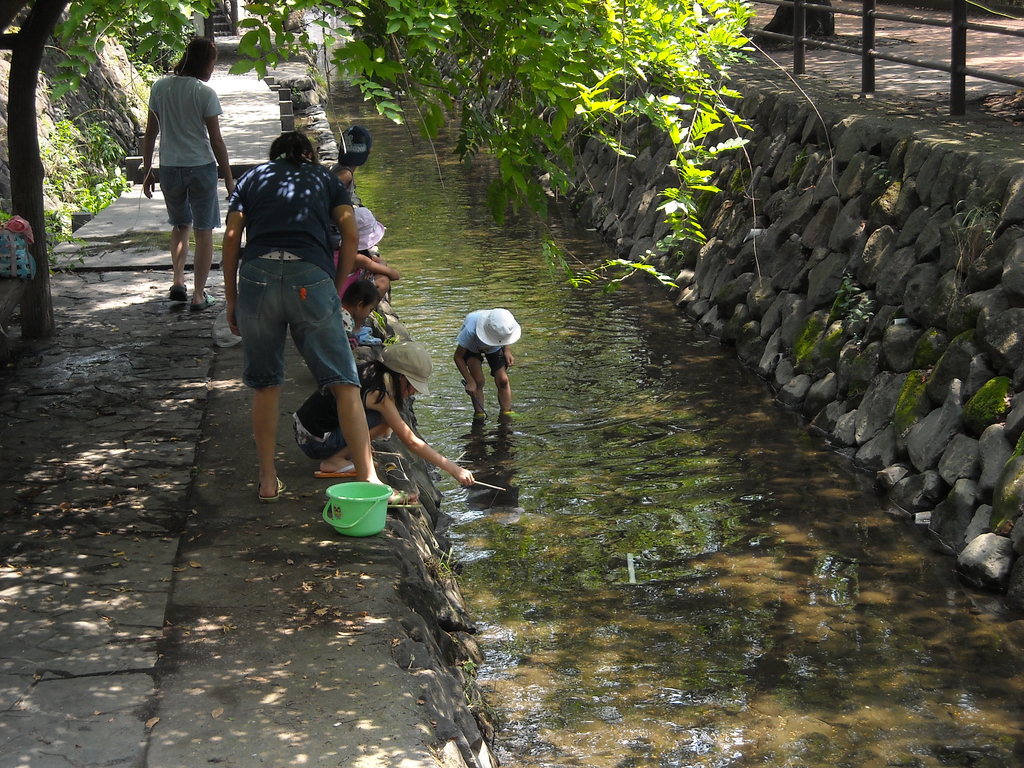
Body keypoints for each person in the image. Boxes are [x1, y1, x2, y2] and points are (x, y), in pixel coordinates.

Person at [221, 131, 383, 502]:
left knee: (265, 384)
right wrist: (336, 284)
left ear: (274, 155)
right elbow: (349, 230)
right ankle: (369, 479)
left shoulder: (253, 178)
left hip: (258, 278)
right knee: (345, 382)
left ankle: (266, 480)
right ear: (309, 155)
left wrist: (232, 298)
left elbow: (232, 237)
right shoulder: (325, 179)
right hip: (310, 278)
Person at [293, 342, 474, 499]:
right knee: (385, 422)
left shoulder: (370, 372)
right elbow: (411, 441)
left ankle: (344, 452)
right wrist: (454, 469)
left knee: (384, 421)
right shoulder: (378, 393)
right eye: (413, 385)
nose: (414, 392)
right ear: (400, 377)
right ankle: (334, 460)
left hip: (304, 429)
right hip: (315, 441)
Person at [141, 37, 234, 311]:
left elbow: (150, 133)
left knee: (180, 225)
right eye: (213, 62)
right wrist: (228, 178)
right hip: (201, 167)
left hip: (170, 168)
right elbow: (216, 141)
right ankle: (199, 295)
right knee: (204, 231)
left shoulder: (160, 87)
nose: (213, 68)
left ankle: (178, 282)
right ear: (204, 62)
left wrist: (148, 171)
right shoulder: (204, 93)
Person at [453, 308, 521, 420]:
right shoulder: (471, 330)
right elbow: (458, 357)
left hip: (494, 348)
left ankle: (506, 411)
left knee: (503, 380)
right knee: (478, 381)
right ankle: (479, 413)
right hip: (473, 348)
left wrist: (507, 351)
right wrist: (469, 381)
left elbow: (506, 338)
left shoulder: (505, 324)